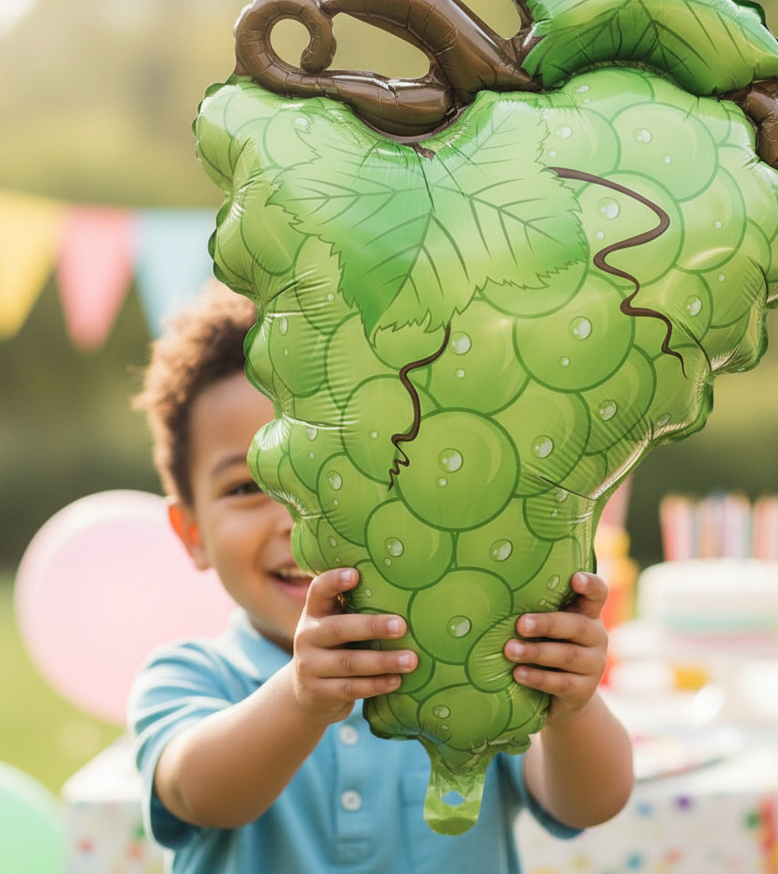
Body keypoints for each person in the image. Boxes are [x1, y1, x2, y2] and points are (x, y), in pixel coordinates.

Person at [129, 280, 634, 874]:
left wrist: (571, 708)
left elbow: (590, 802)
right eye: (246, 487)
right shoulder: (191, 676)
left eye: (344, 471)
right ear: (192, 532)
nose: (301, 520)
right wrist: (300, 699)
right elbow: (199, 794)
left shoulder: (472, 654)